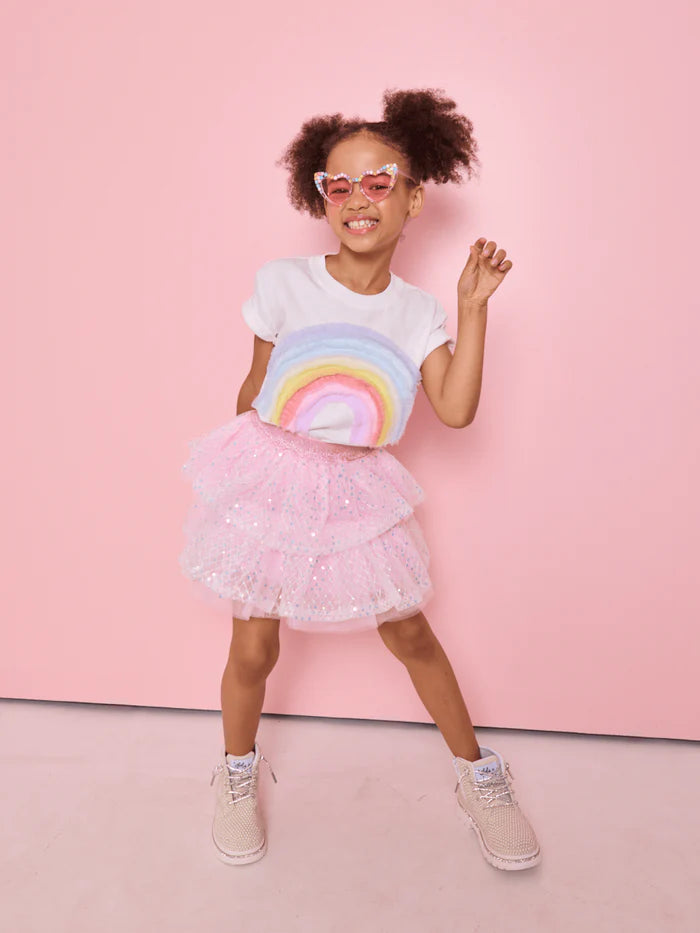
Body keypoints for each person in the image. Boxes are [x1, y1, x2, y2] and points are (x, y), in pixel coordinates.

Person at [179, 87, 541, 871]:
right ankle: (236, 772)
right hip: (274, 471)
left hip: (356, 485)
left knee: (408, 631)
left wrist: (472, 309)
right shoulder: (284, 281)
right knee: (254, 647)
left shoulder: (417, 313)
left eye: (378, 182)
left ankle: (479, 775)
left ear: (414, 199)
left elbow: (455, 410)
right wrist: (246, 489)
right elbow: (254, 385)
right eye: (337, 185)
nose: (357, 199)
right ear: (319, 197)